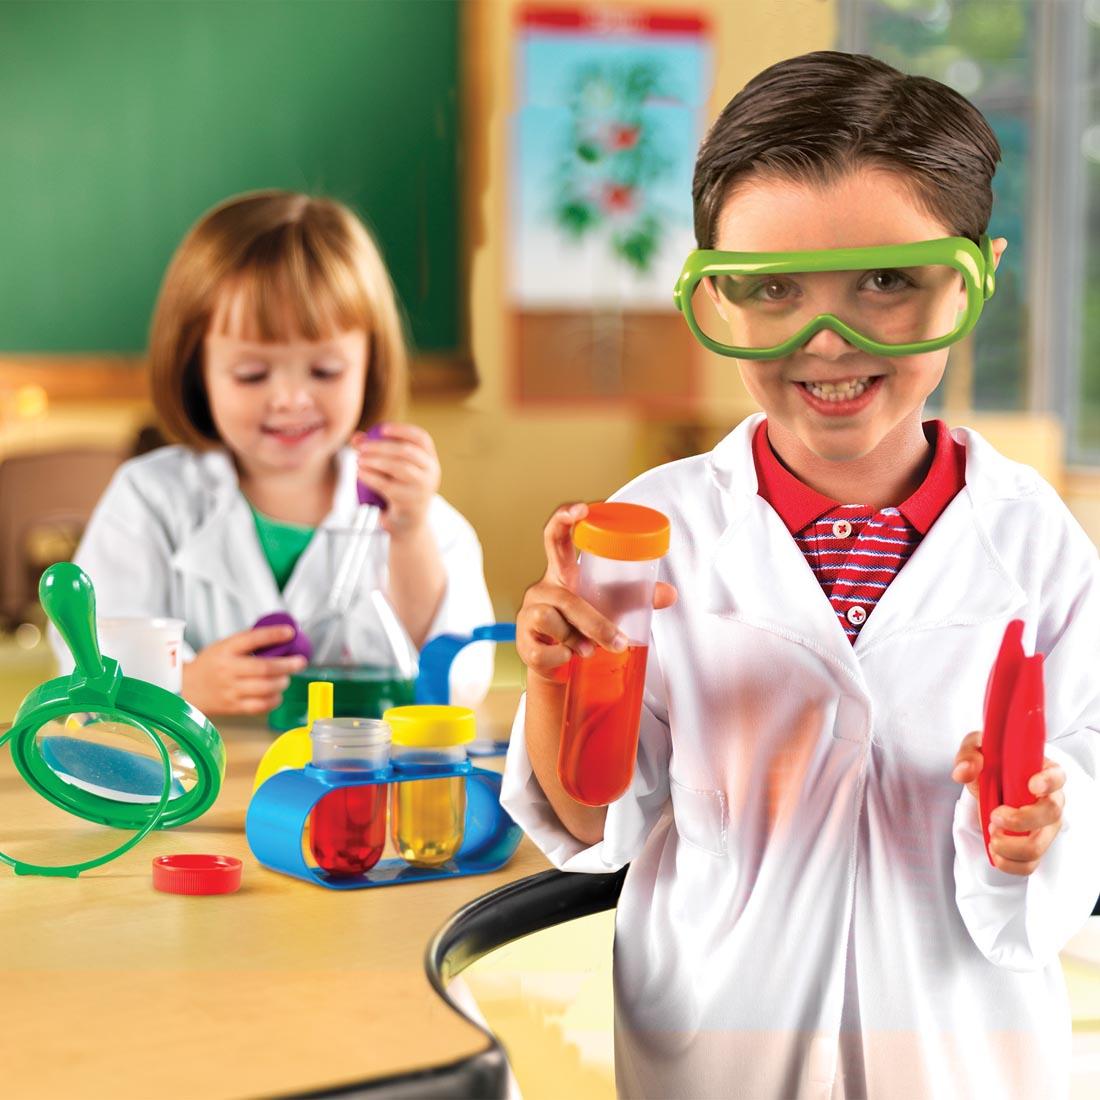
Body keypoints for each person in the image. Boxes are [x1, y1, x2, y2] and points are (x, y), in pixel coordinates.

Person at [501, 52, 1100, 1099]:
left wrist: (1041, 821)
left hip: (961, 1055)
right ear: (716, 290)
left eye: (886, 279)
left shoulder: (1034, 542)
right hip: (720, 1047)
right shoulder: (652, 529)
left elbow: (1085, 776)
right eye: (771, 290)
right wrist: (560, 680)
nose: (827, 341)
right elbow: (592, 817)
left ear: (974, 272)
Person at [60, 191, 493, 716]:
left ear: (369, 363)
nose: (291, 399)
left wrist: (408, 533)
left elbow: (457, 682)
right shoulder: (150, 499)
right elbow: (84, 669)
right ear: (197, 367)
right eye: (252, 374)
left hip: (356, 788)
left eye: (326, 371)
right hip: (193, 791)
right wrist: (185, 684)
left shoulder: (413, 513)